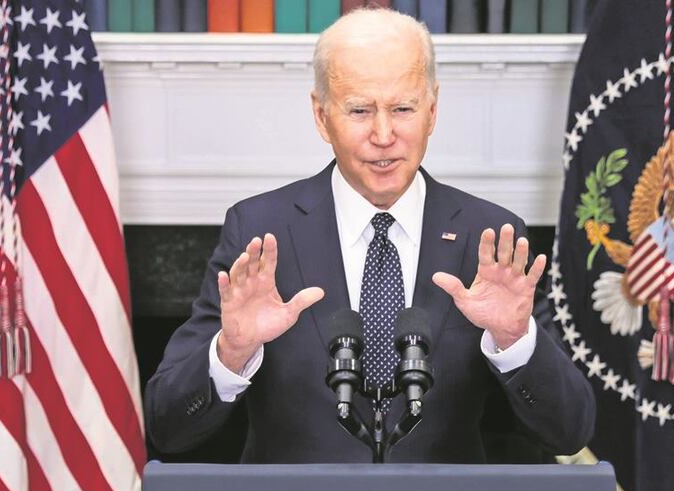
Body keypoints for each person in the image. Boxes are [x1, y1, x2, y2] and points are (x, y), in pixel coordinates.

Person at [145, 8, 594, 463]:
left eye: (403, 108)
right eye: (360, 110)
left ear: (432, 111)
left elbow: (570, 431)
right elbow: (168, 426)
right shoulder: (260, 233)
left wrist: (515, 340)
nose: (384, 135)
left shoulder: (491, 238)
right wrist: (231, 352)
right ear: (322, 117)